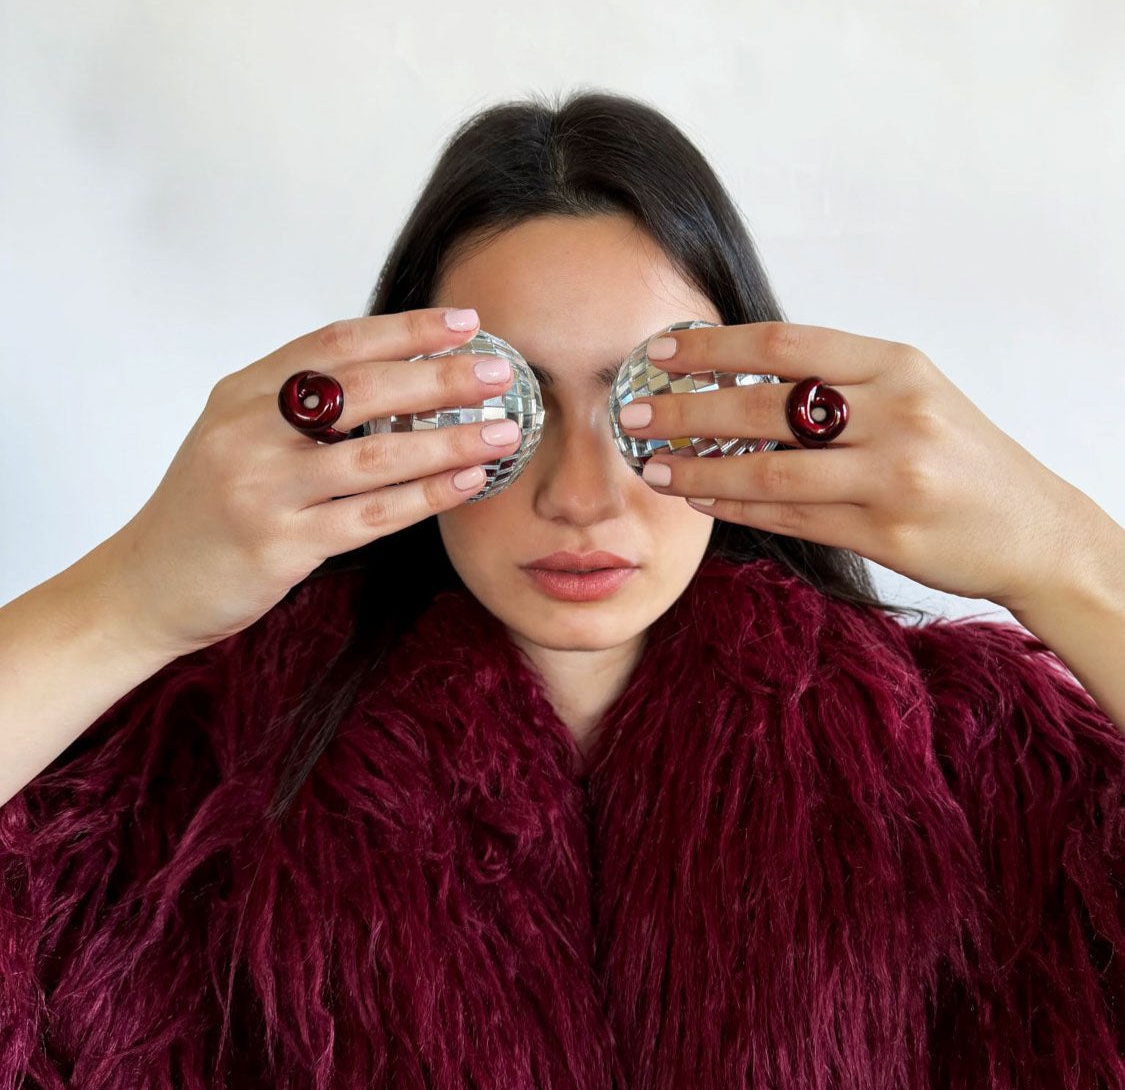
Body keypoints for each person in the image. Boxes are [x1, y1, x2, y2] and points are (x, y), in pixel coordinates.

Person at [1, 89, 1122, 1089]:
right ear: (395, 418)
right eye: (501, 408)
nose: (580, 496)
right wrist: (128, 596)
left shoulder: (966, 766)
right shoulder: (200, 785)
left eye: (650, 401)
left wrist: (1065, 556)